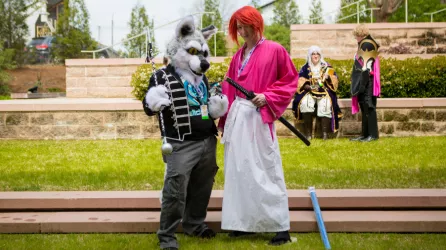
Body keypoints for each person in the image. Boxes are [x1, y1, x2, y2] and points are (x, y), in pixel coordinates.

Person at [143, 16, 228, 250]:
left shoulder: (202, 78)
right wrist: (153, 101)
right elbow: (149, 106)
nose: (200, 60)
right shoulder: (163, 76)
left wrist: (216, 107)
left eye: (202, 53)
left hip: (207, 141)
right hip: (179, 143)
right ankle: (167, 235)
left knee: (202, 186)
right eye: (192, 51)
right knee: (175, 190)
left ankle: (194, 224)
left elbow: (206, 105)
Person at [217, 6, 298, 246]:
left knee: (266, 169)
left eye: (243, 26)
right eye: (237, 27)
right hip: (237, 117)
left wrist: (268, 96)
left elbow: (289, 80)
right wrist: (222, 116)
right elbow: (229, 90)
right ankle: (243, 223)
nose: (241, 32)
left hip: (259, 117)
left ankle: (280, 226)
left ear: (255, 24)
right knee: (239, 171)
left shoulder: (275, 50)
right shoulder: (237, 56)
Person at [291, 46, 342, 140]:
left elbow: (335, 80)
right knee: (306, 104)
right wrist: (308, 87)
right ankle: (308, 134)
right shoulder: (305, 67)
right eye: (313, 54)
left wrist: (328, 77)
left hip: (324, 91)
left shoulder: (327, 66)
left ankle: (325, 135)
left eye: (317, 54)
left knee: (325, 105)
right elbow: (299, 80)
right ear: (310, 56)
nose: (315, 56)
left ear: (320, 55)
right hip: (309, 91)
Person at [350, 24, 381, 142]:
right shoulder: (365, 44)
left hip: (368, 80)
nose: (355, 39)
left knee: (369, 106)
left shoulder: (367, 44)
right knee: (364, 106)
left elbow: (367, 66)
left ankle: (372, 135)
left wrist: (362, 84)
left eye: (356, 36)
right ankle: (365, 134)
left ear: (360, 35)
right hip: (364, 79)